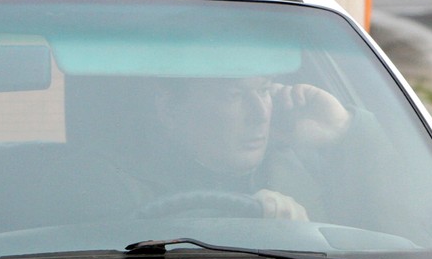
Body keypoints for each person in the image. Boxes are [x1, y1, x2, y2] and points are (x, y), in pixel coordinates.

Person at [135, 76, 353, 221]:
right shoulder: (122, 192)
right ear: (170, 110)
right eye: (234, 95)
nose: (260, 115)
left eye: (264, 90)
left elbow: (380, 248)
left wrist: (344, 128)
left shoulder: (306, 170)